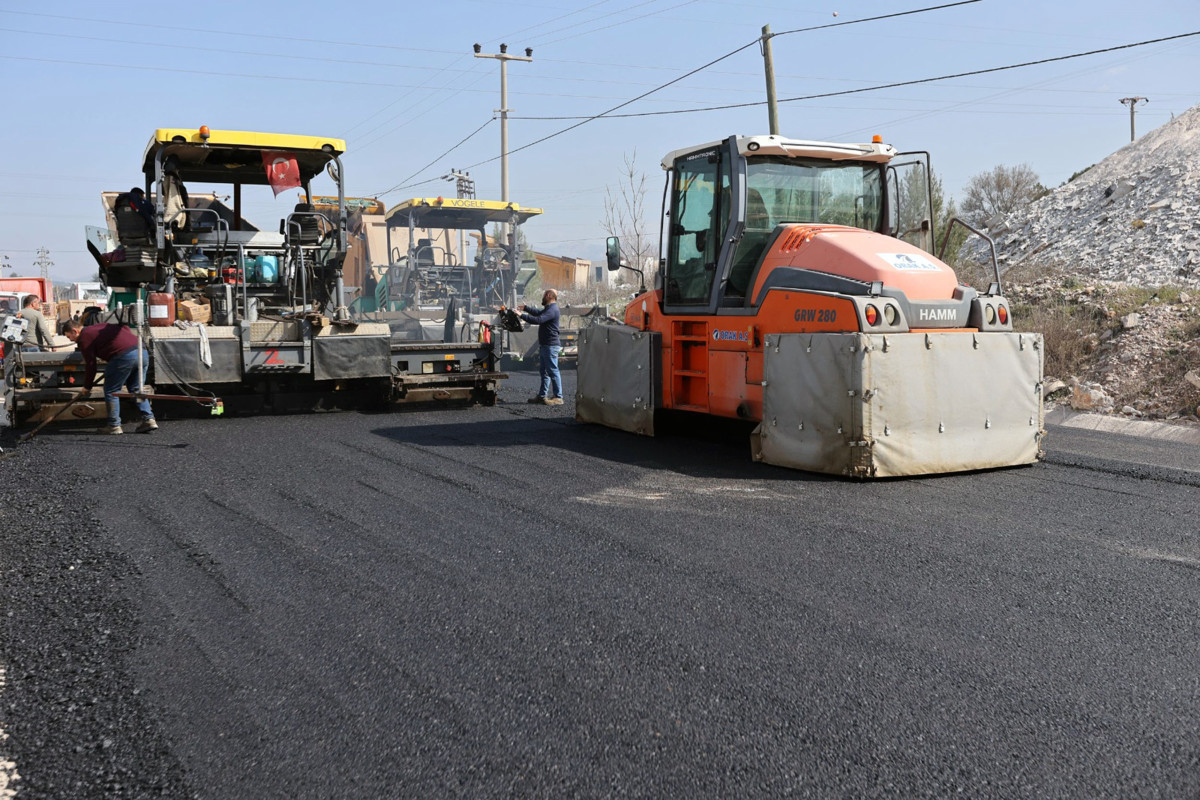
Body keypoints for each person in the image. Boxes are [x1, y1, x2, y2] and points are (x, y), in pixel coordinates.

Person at [61, 318, 157, 435]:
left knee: (111, 390)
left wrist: (87, 386)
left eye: (69, 336)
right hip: (141, 352)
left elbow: (91, 365)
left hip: (123, 357)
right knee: (137, 389)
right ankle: (149, 419)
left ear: (75, 331)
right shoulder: (98, 327)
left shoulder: (84, 337)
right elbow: (124, 328)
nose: (70, 340)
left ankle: (114, 425)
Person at [519, 288, 563, 405]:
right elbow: (538, 313)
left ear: (548, 295)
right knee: (544, 372)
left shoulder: (552, 310)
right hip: (545, 345)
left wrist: (521, 315)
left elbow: (539, 319)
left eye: (544, 295)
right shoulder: (549, 309)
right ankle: (542, 396)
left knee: (553, 371)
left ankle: (558, 397)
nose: (542, 297)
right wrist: (526, 308)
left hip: (550, 345)